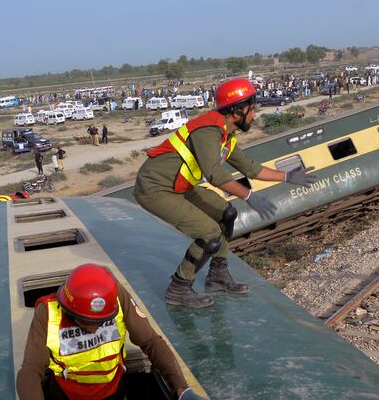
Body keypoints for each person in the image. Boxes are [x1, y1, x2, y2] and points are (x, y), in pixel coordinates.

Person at [16, 264, 226, 400]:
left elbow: (151, 342)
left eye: (99, 323)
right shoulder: (48, 312)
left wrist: (182, 390)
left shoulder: (116, 297)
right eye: (83, 321)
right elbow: (31, 370)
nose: (91, 329)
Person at [134, 78, 316, 308]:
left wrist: (288, 177)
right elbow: (215, 175)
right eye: (253, 107)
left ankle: (217, 276)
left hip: (179, 186)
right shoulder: (208, 130)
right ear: (238, 110)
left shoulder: (226, 135)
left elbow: (250, 167)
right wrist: (249, 197)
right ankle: (179, 288)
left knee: (226, 213)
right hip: (155, 189)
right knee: (209, 233)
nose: (254, 114)